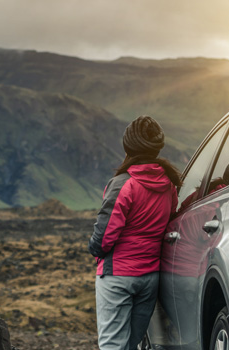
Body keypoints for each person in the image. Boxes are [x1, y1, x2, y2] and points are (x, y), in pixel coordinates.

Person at [88, 116, 181, 349]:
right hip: (150, 277)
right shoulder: (169, 184)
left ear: (128, 146)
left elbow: (105, 235)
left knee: (112, 344)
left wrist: (95, 249)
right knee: (132, 343)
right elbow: (169, 222)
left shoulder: (123, 183)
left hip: (118, 275)